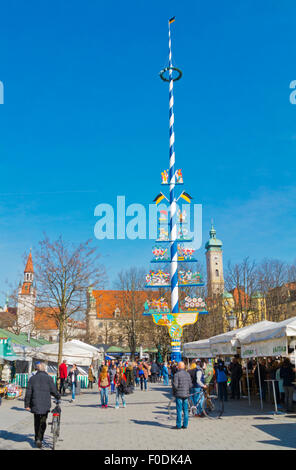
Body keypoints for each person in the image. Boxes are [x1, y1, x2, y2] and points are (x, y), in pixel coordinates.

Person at [24, 362, 60, 449]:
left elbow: (28, 393)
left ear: (37, 369)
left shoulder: (32, 379)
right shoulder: (49, 378)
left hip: (35, 403)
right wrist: (58, 396)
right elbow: (53, 391)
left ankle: (37, 439)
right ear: (44, 369)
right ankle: (41, 438)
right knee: (43, 421)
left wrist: (27, 405)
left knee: (36, 421)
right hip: (45, 404)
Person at [172, 361, 193, 430]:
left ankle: (178, 425)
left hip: (179, 395)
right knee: (186, 410)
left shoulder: (176, 375)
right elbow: (190, 385)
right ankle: (185, 425)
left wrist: (174, 392)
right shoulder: (188, 374)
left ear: (178, 367)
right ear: (184, 367)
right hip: (186, 394)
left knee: (179, 410)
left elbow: (175, 385)